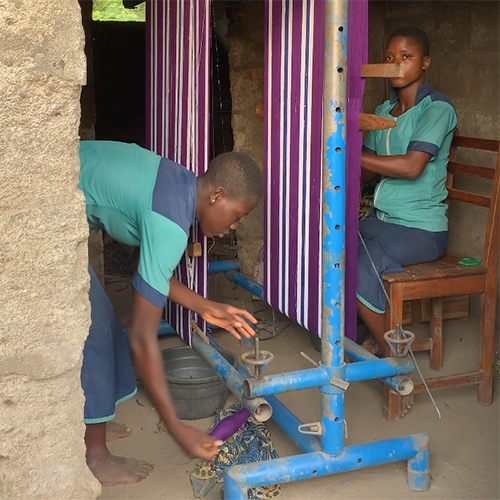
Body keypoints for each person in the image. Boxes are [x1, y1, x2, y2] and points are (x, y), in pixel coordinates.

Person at [78, 140, 263, 486]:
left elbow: (149, 271)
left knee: (103, 325)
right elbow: (141, 336)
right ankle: (95, 457)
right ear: (217, 195)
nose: (234, 227)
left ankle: (94, 418)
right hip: (45, 203)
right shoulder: (171, 225)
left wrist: (206, 306)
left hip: (67, 183)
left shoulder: (179, 183)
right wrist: (178, 428)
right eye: (238, 215)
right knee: (99, 328)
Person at [357, 27, 457, 353]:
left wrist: (353, 156)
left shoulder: (437, 108)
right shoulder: (383, 113)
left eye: (406, 57)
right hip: (383, 220)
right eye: (389, 58)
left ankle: (394, 359)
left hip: (420, 229)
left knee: (360, 259)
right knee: (331, 241)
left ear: (425, 62)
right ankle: (364, 335)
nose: (396, 64)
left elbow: (413, 166)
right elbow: (365, 171)